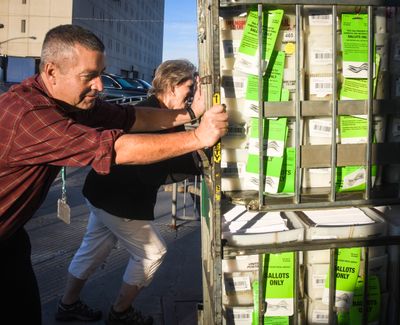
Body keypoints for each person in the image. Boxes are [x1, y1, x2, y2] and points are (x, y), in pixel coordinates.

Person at [0, 25, 228, 325]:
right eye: (88, 76)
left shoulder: (70, 103)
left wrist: (190, 115)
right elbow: (114, 149)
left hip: (12, 233)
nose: (99, 85)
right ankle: (118, 313)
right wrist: (199, 137)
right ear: (51, 71)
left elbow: (130, 117)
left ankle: (68, 305)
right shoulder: (30, 114)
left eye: (101, 73)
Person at [56, 59, 203, 325]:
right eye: (189, 87)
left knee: (92, 251)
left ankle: (67, 305)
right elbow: (152, 167)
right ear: (171, 86)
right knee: (153, 252)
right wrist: (198, 162)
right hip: (119, 202)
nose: (192, 95)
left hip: (101, 195)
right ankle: (120, 312)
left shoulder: (159, 111)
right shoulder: (151, 114)